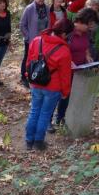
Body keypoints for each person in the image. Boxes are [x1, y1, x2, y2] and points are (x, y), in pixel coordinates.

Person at [24, 20, 73, 151]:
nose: (68, 38)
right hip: (53, 87)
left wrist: (28, 77)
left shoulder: (36, 40)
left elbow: (29, 61)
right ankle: (38, 142)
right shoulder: (63, 50)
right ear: (63, 34)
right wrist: (65, 92)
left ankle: (29, 140)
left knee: (34, 111)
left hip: (36, 83)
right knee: (45, 114)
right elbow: (65, 75)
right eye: (68, 35)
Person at [19, 0, 49, 87]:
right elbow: (22, 25)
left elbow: (49, 23)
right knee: (27, 57)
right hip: (31, 40)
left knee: (40, 58)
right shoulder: (29, 9)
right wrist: (28, 37)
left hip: (43, 40)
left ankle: (36, 75)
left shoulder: (47, 8)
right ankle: (24, 77)